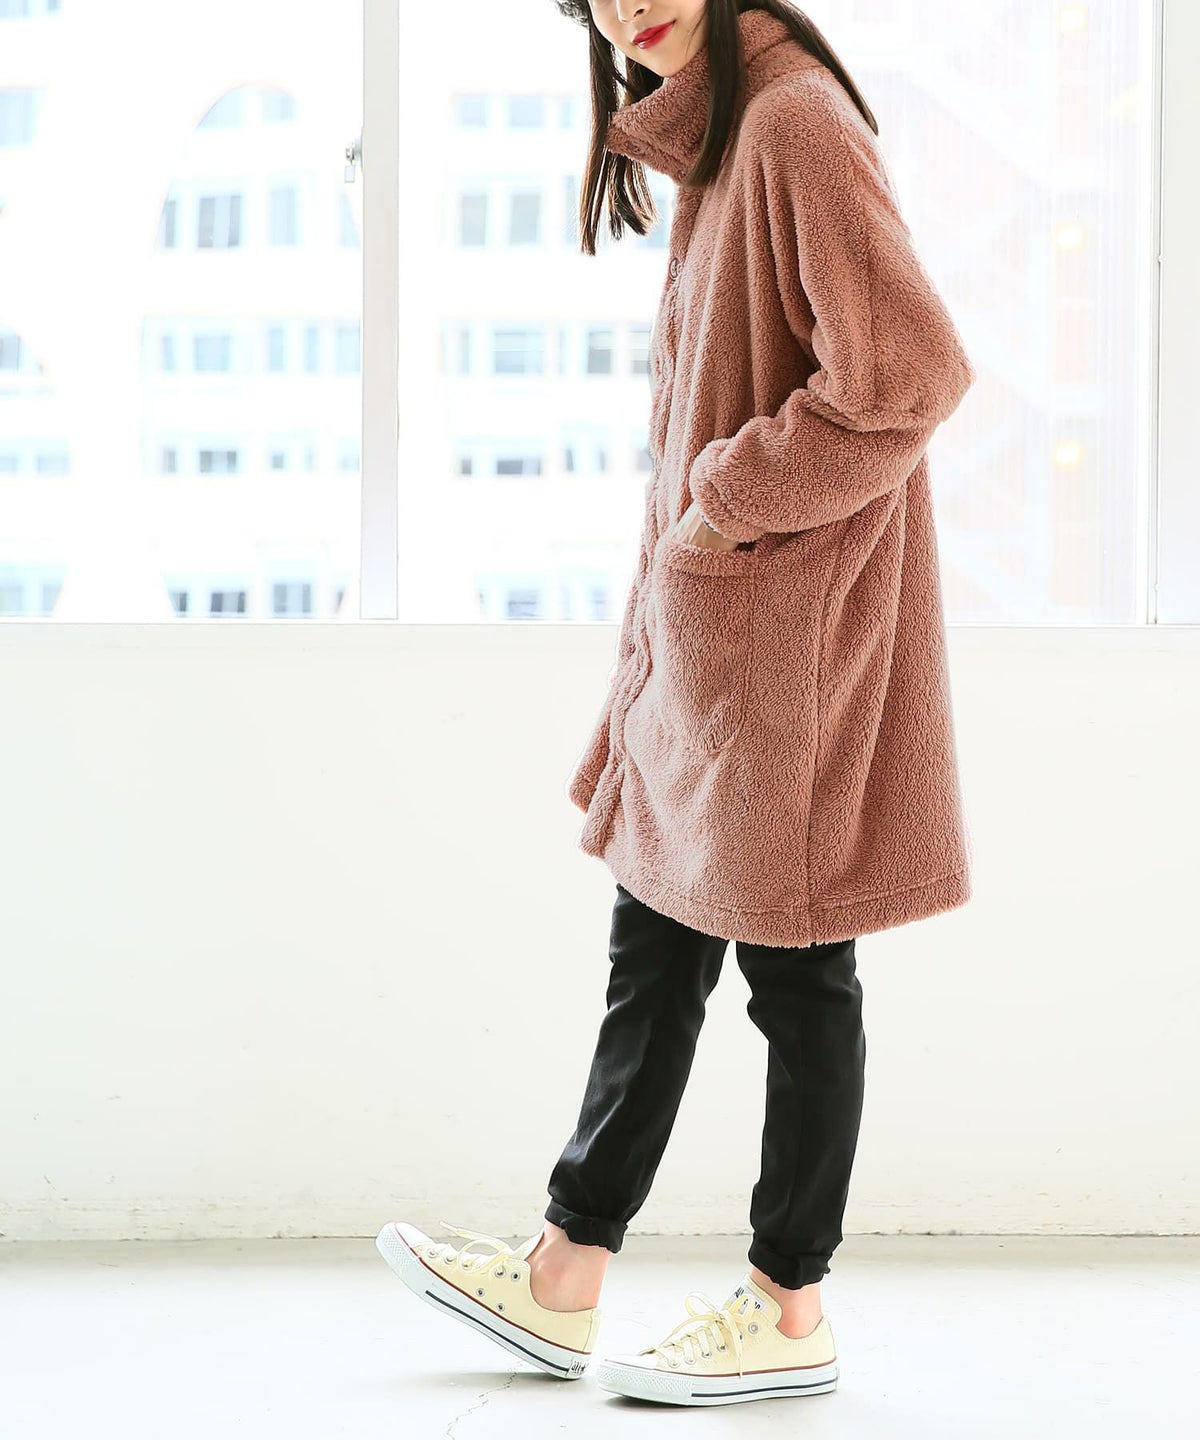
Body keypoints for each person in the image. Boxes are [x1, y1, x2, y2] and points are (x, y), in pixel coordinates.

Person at [377, 0, 977, 1408]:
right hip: (726, 636)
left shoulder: (794, 123)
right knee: (655, 941)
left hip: (791, 638)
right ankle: (563, 1272)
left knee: (799, 970)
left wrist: (726, 498)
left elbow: (911, 372)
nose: (625, 4)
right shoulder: (728, 125)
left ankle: (788, 1303)